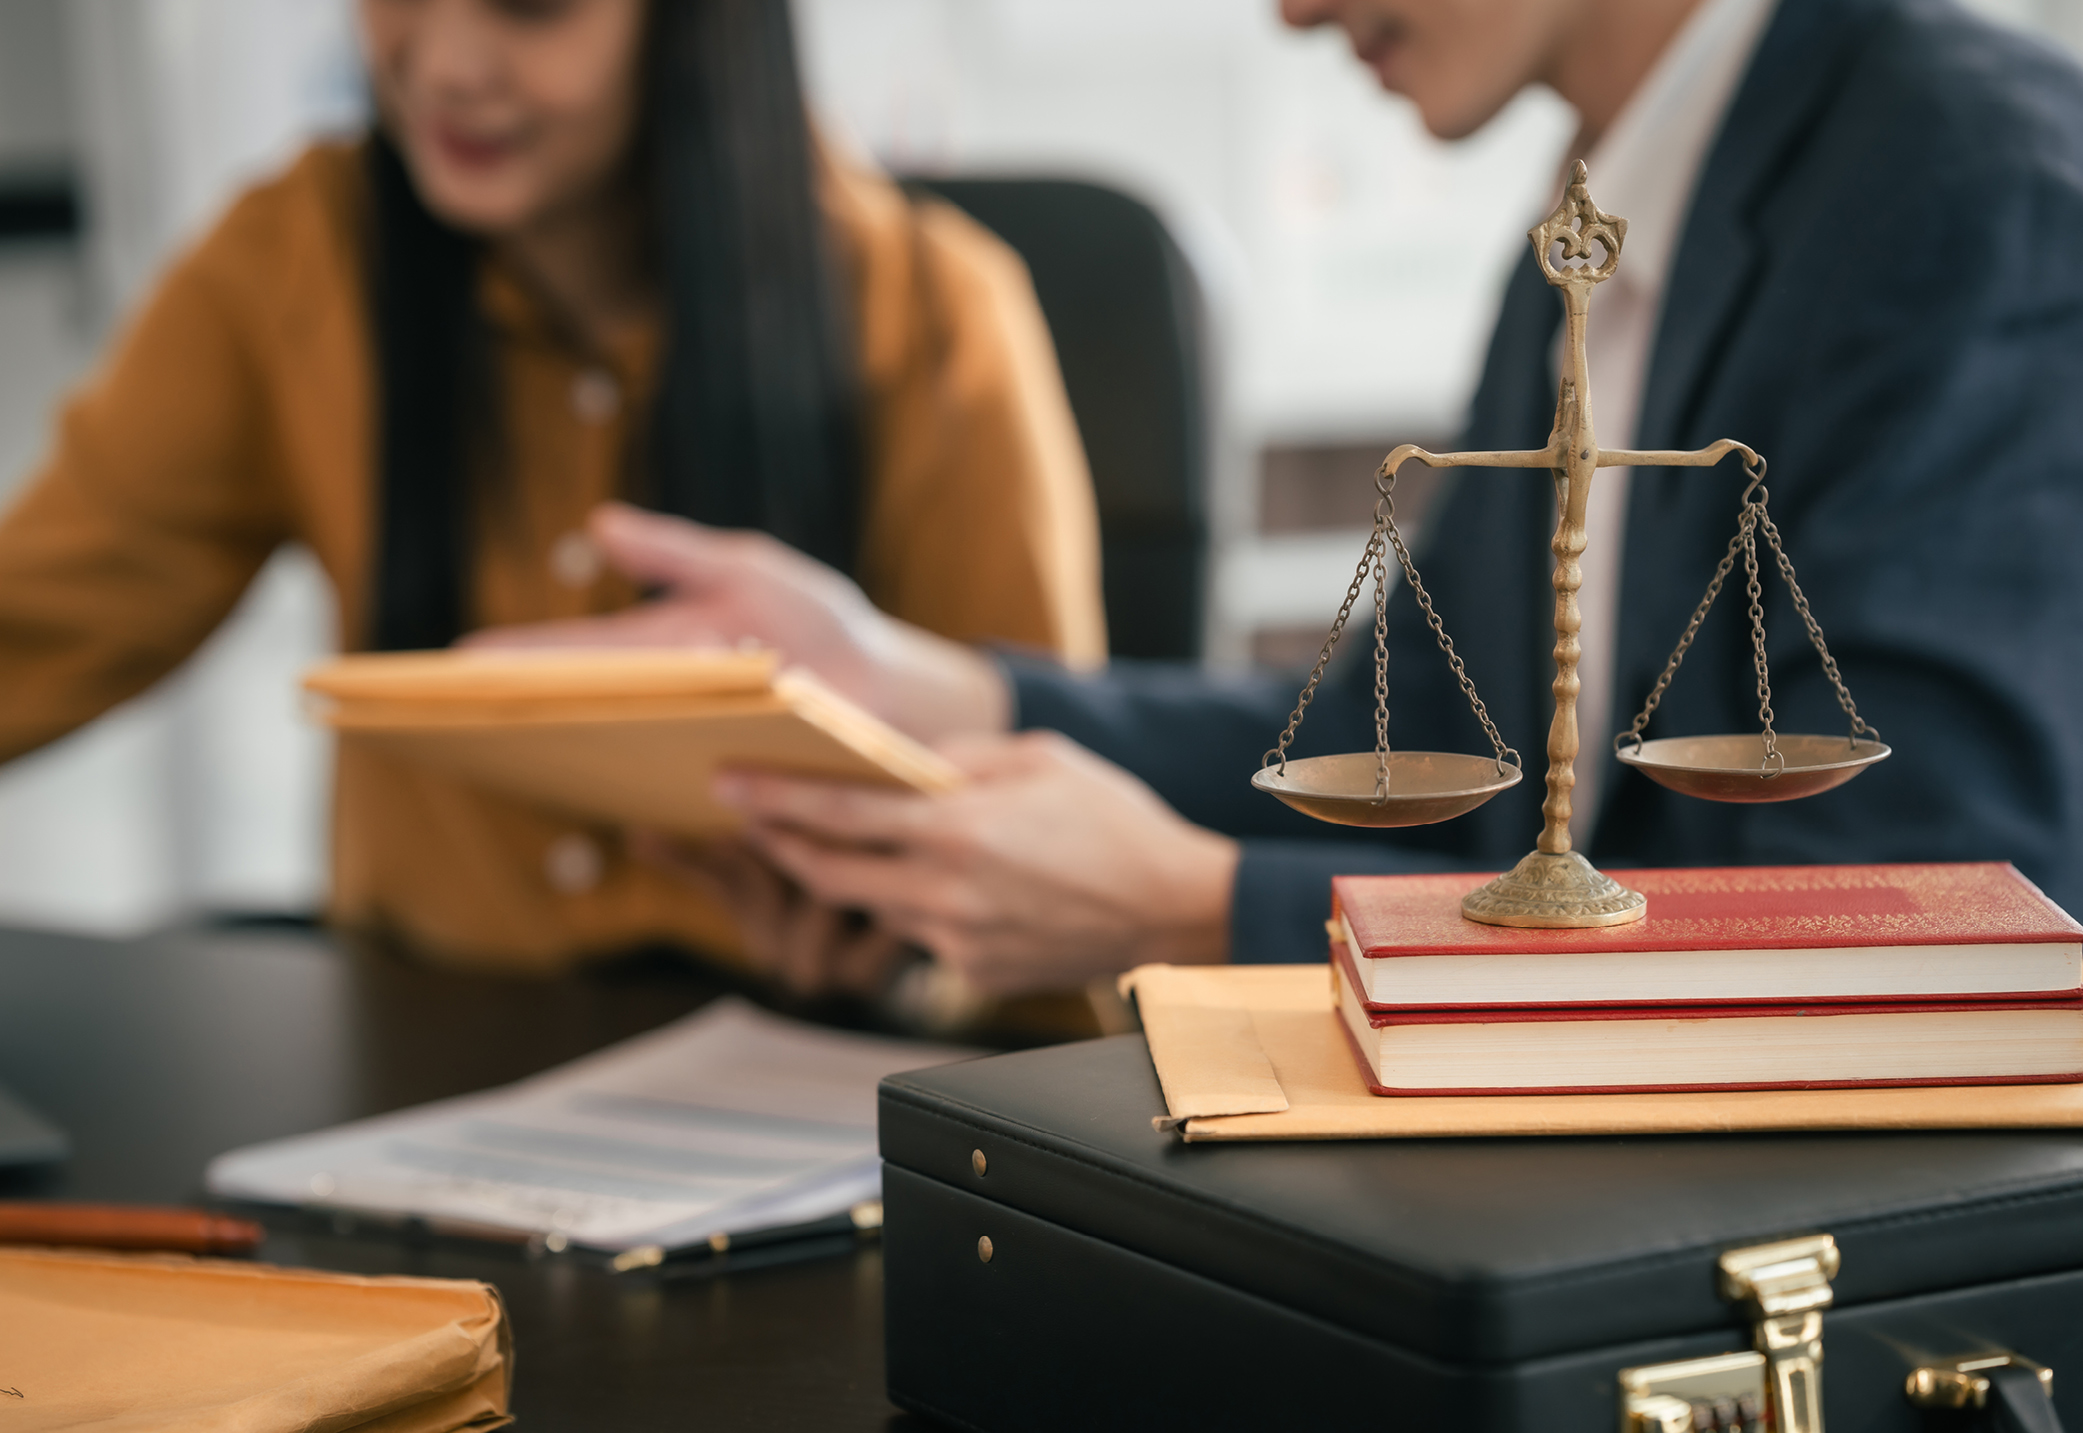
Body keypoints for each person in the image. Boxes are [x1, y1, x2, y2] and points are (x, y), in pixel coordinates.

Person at [482, 0, 2083, 997]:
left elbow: (1909, 933)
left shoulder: (1962, 184)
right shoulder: (1597, 225)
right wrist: (927, 685)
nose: (1292, 9)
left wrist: (1192, 908)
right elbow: (1439, 760)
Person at [0, 0, 1106, 972]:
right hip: (410, 1063)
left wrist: (923, 957)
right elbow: (34, 620)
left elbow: (1056, 837)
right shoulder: (293, 262)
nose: (444, 62)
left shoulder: (937, 317)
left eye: (532, 5)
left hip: (821, 1086)